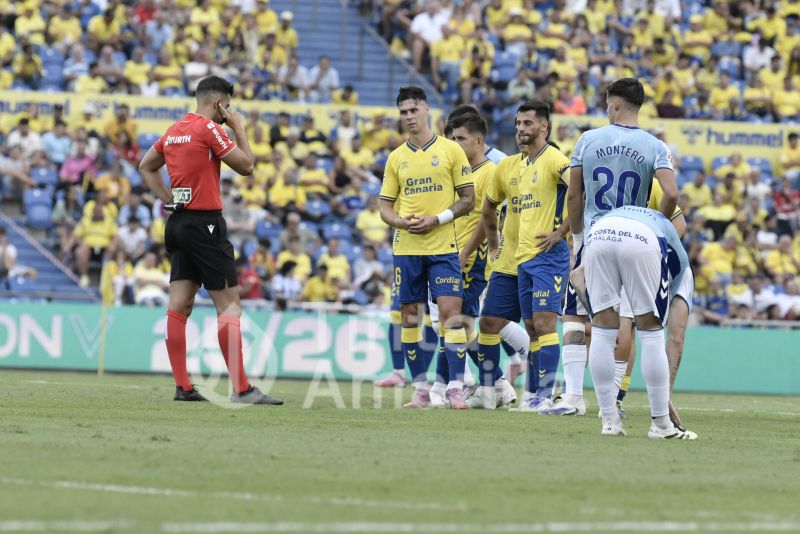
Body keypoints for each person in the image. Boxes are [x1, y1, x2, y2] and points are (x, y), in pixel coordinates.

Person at [138, 75, 282, 405]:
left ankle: (183, 386)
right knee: (229, 305)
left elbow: (146, 166)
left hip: (178, 223)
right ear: (218, 103)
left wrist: (167, 199)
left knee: (179, 304)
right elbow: (246, 166)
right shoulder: (209, 128)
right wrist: (239, 127)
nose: (227, 113)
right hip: (206, 224)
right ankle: (242, 389)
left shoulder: (174, 130)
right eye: (227, 107)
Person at [555, 78, 678, 417]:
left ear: (615, 103)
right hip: (636, 238)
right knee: (630, 325)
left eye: (607, 103)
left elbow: (574, 195)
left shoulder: (587, 139)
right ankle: (618, 404)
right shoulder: (655, 145)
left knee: (576, 316)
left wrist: (577, 239)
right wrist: (654, 224)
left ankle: (575, 398)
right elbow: (671, 193)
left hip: (597, 238)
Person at [378, 86, 475, 409]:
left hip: (443, 246)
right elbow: (384, 207)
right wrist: (400, 222)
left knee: (452, 316)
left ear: (427, 110)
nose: (408, 117)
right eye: (403, 112)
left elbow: (468, 199)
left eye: (413, 110)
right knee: (410, 316)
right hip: (407, 249)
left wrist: (437, 219)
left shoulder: (451, 151)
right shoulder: (396, 158)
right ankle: (420, 389)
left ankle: (456, 387)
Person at [581, 206, 695, 439]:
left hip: (598, 232)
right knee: (651, 332)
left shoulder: (659, 226)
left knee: (602, 332)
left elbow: (576, 276)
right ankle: (661, 425)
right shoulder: (684, 273)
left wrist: (597, 316)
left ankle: (610, 423)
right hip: (641, 239)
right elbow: (676, 338)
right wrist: (665, 398)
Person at [494, 101, 571, 413]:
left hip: (548, 256)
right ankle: (535, 394)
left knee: (544, 323)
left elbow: (581, 190)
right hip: (524, 258)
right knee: (531, 328)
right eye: (518, 123)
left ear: (544, 127)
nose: (521, 129)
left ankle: (546, 394)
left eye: (527, 123)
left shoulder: (554, 159)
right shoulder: (524, 165)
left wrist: (561, 231)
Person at [437, 112, 517, 410]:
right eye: (452, 139)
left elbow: (487, 219)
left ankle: (453, 386)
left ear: (478, 140)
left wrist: (466, 253)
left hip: (472, 261)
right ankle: (497, 383)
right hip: (452, 254)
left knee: (456, 321)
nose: (455, 144)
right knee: (462, 325)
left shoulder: (489, 172)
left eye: (461, 138)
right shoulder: (459, 172)